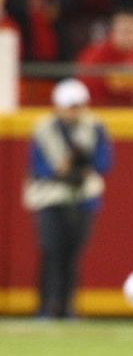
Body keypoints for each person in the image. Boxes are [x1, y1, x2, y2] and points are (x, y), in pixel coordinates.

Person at [24, 78, 111, 319]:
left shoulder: (94, 127)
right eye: (70, 106)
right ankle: (46, 306)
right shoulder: (44, 128)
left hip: (83, 196)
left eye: (78, 106)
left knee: (73, 254)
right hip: (50, 196)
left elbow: (103, 162)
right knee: (51, 251)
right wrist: (59, 170)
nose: (74, 111)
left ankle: (67, 307)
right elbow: (37, 166)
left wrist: (83, 169)